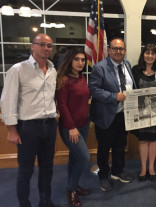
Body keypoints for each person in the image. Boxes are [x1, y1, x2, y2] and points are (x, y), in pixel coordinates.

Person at [0, 34, 57, 207]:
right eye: (42, 44)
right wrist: (11, 129)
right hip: (28, 128)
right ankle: (24, 203)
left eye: (49, 45)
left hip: (50, 125)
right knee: (26, 171)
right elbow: (8, 99)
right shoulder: (18, 69)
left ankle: (45, 201)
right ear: (32, 46)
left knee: (48, 169)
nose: (46, 48)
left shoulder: (53, 70)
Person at [89, 37, 136, 192]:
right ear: (109, 50)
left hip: (123, 115)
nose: (118, 51)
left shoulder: (127, 65)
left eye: (121, 48)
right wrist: (113, 96)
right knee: (104, 148)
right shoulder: (99, 67)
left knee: (120, 146)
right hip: (105, 116)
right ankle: (104, 176)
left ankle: (117, 171)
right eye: (115, 48)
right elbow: (94, 90)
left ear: (124, 51)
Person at [56, 47, 90, 207]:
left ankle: (74, 185)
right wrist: (71, 127)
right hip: (70, 128)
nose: (80, 62)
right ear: (69, 60)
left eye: (82, 60)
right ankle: (71, 190)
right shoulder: (63, 80)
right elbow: (62, 106)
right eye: (77, 59)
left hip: (84, 125)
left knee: (75, 157)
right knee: (84, 158)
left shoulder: (82, 77)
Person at [131, 44, 156, 182]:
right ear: (143, 55)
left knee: (153, 140)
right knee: (143, 140)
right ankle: (143, 168)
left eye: (153, 53)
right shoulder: (136, 70)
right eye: (147, 53)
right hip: (140, 111)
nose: (150, 56)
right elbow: (130, 89)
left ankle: (151, 167)